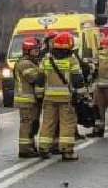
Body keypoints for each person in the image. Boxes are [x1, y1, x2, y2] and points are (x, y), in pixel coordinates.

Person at [36, 31, 86, 160]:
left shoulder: (46, 59)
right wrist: (81, 95)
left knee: (47, 123)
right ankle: (66, 150)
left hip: (49, 98)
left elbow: (40, 79)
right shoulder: (72, 60)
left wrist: (39, 95)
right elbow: (78, 79)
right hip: (66, 98)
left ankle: (43, 147)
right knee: (67, 124)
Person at [13, 36, 44, 158]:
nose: (37, 51)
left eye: (37, 49)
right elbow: (35, 78)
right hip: (26, 100)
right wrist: (43, 70)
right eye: (35, 49)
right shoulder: (25, 63)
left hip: (31, 99)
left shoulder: (30, 62)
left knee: (32, 124)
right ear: (28, 50)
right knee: (27, 123)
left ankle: (31, 146)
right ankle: (25, 149)